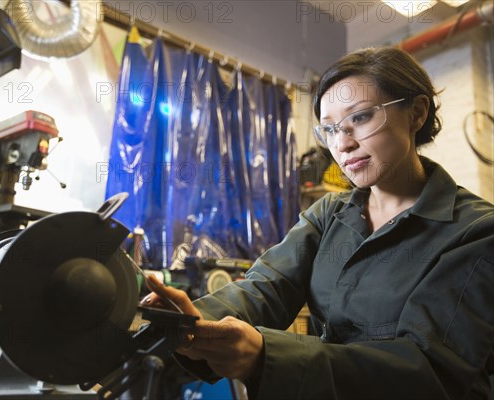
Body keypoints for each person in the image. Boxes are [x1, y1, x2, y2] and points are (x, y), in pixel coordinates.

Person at [141, 46, 494, 399]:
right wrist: (192, 320)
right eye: (329, 129)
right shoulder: (330, 214)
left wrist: (266, 355)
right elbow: (267, 286)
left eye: (360, 117)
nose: (343, 143)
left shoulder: (475, 232)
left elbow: (427, 370)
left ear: (416, 113)